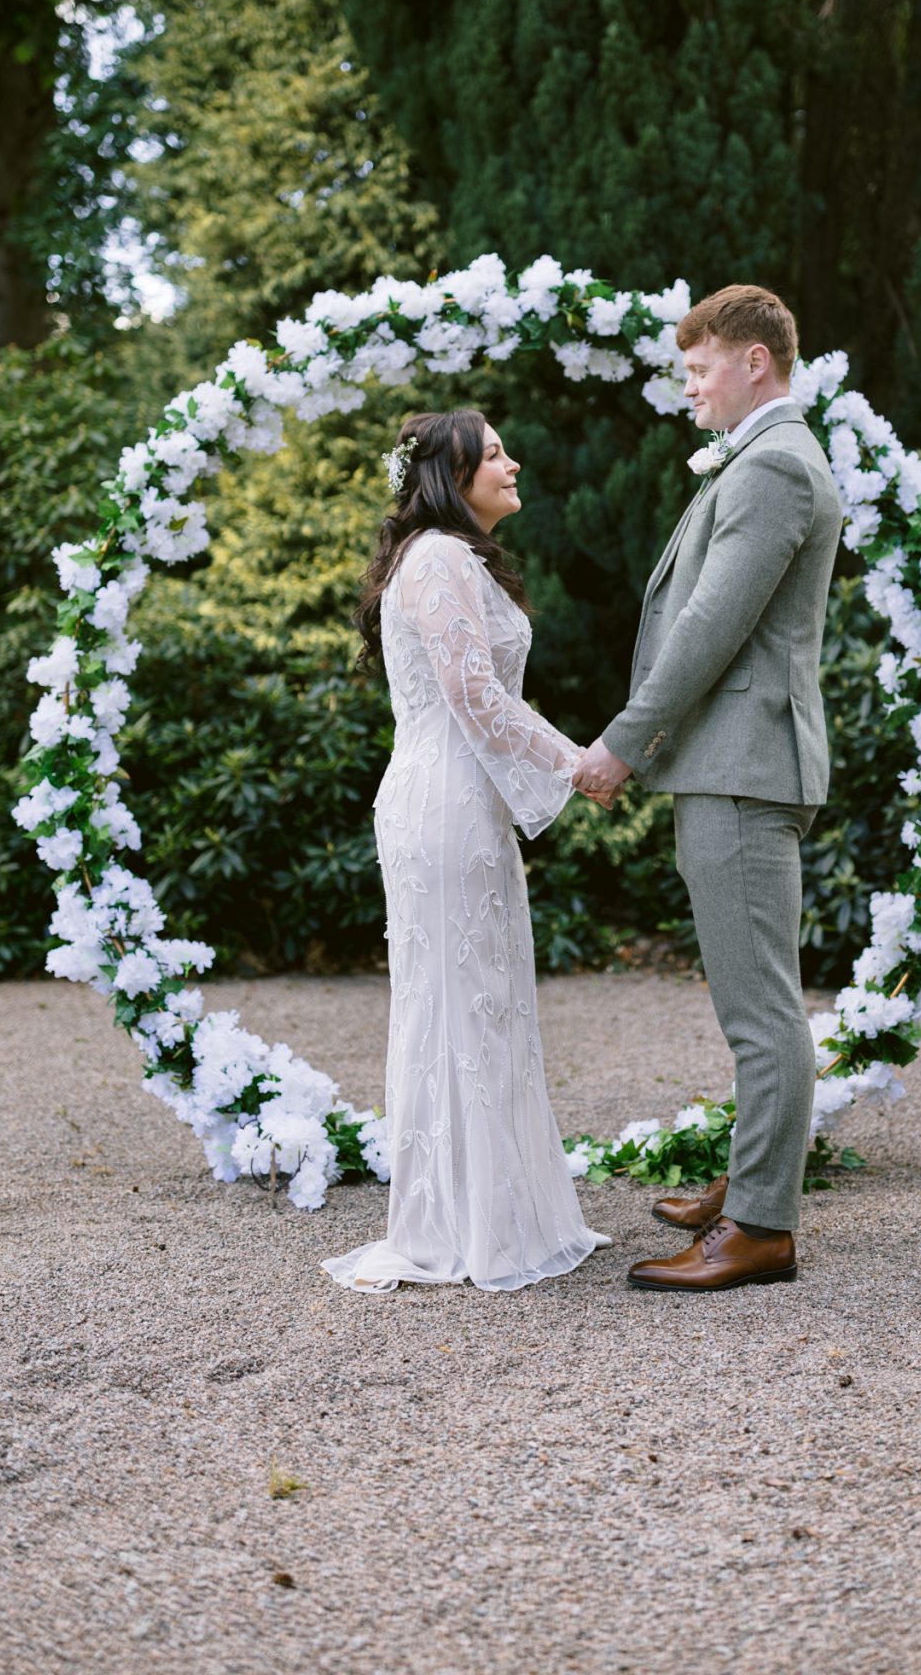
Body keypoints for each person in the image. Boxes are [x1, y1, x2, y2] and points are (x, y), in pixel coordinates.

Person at [575, 284, 842, 1292]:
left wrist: (625, 742)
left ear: (756, 362)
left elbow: (710, 627)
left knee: (760, 1008)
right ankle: (751, 1181)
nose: (689, 390)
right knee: (751, 996)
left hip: (742, 763)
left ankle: (762, 1229)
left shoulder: (774, 465)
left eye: (700, 370)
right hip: (733, 761)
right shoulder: (768, 457)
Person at [321, 409, 611, 1293]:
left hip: (455, 804)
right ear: (450, 476)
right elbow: (474, 695)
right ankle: (465, 1226)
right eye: (493, 455)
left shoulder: (448, 558)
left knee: (474, 1002)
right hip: (443, 806)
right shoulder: (441, 559)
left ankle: (494, 1211)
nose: (512, 462)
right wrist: (578, 764)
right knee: (459, 1002)